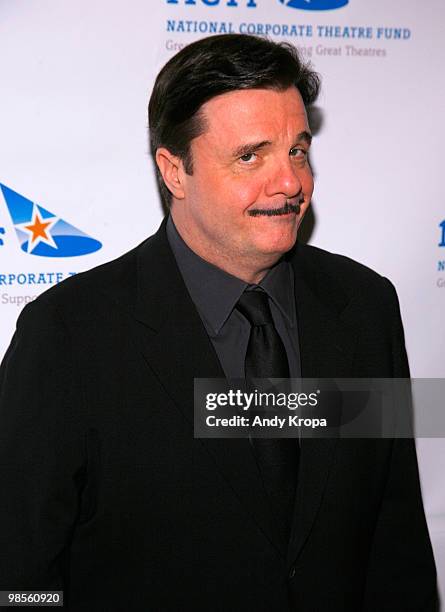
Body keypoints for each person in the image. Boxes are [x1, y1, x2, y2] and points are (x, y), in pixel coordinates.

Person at [0, 34, 437, 611]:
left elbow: (395, 536)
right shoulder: (69, 335)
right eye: (250, 155)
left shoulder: (364, 308)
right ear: (175, 172)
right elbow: (20, 572)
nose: (289, 182)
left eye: (298, 151)